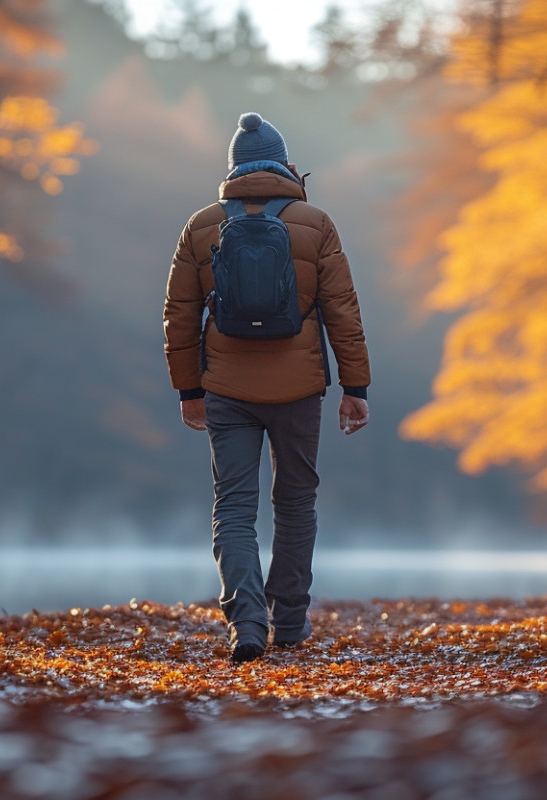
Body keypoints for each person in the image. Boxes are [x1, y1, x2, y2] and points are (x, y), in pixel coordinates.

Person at [163, 112, 371, 664]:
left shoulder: (202, 225)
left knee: (233, 507)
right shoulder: (316, 223)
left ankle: (247, 624)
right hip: (299, 388)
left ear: (233, 169)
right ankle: (291, 621)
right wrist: (356, 386)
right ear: (285, 166)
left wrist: (188, 391)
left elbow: (179, 315)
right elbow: (342, 311)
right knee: (296, 503)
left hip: (226, 388)